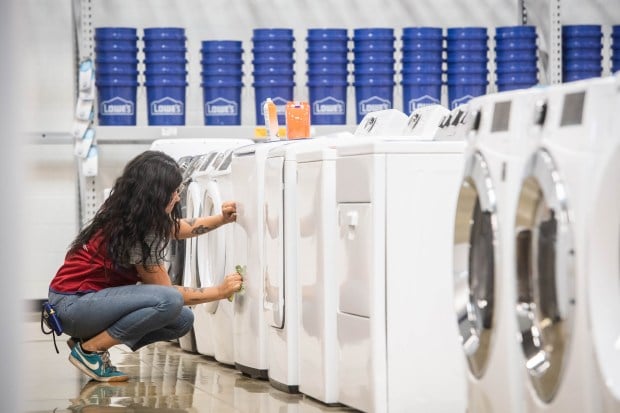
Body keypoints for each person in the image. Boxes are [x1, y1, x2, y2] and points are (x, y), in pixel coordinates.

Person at [47, 150, 243, 383]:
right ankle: (90, 351)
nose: (178, 198)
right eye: (174, 192)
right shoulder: (141, 232)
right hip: (73, 305)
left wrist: (220, 219)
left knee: (181, 320)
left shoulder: (130, 212)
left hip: (76, 302)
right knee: (169, 302)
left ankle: (88, 342)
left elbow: (176, 228)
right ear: (156, 195)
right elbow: (168, 294)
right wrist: (219, 292)